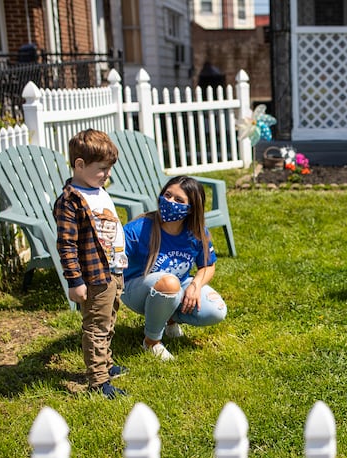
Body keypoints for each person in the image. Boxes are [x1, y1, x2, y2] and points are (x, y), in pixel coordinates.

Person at [54, 129, 129, 399]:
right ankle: (98, 381)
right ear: (79, 164)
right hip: (94, 276)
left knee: (108, 322)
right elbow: (66, 244)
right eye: (102, 169)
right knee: (96, 327)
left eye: (109, 169)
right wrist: (75, 281)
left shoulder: (97, 189)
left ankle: (106, 366)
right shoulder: (71, 202)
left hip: (113, 271)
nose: (107, 174)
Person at [121, 176, 227, 360]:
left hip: (176, 285)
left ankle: (168, 319)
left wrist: (195, 285)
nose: (170, 202)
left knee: (216, 310)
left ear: (191, 209)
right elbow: (111, 262)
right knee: (169, 283)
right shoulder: (138, 229)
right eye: (167, 195)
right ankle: (151, 341)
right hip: (135, 289)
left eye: (179, 200)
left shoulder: (196, 232)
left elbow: (208, 265)